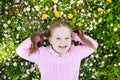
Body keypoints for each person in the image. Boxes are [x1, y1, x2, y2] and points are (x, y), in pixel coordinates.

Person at [16, 21, 98, 80]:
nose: (63, 42)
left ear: (71, 39)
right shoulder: (42, 54)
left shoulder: (76, 53)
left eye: (67, 38)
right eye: (58, 38)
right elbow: (20, 51)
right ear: (50, 40)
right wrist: (41, 35)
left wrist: (75, 35)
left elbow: (93, 45)